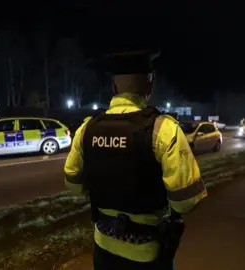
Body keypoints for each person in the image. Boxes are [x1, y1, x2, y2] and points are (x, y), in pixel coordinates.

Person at [64, 50, 207, 270]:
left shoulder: (87, 129)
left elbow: (73, 184)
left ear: (113, 87)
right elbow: (186, 200)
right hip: (147, 252)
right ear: (150, 86)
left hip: (103, 247)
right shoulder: (163, 129)